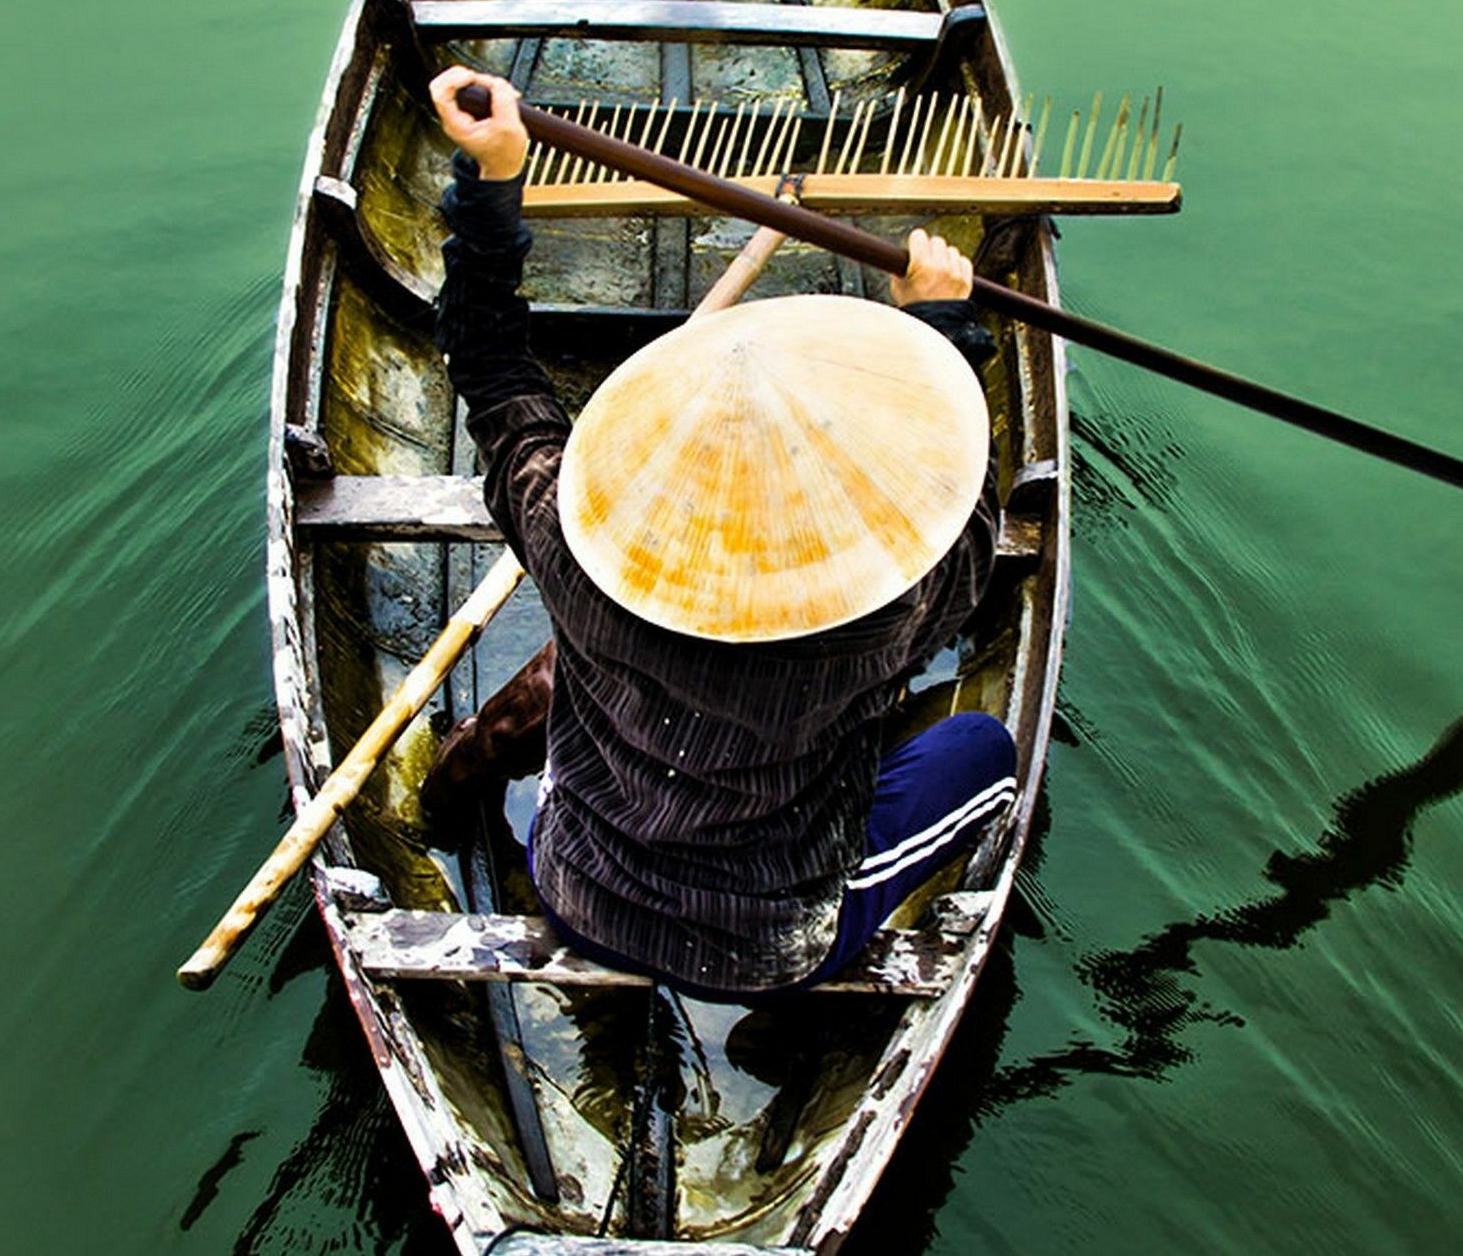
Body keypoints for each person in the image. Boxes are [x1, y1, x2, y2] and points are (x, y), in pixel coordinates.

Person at [421, 66, 1017, 1002]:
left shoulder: (570, 548)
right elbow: (965, 516)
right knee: (985, 752)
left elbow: (489, 366)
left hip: (572, 881)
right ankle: (794, 1015)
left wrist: (492, 179)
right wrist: (940, 330)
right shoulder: (878, 621)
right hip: (771, 944)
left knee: (568, 677)